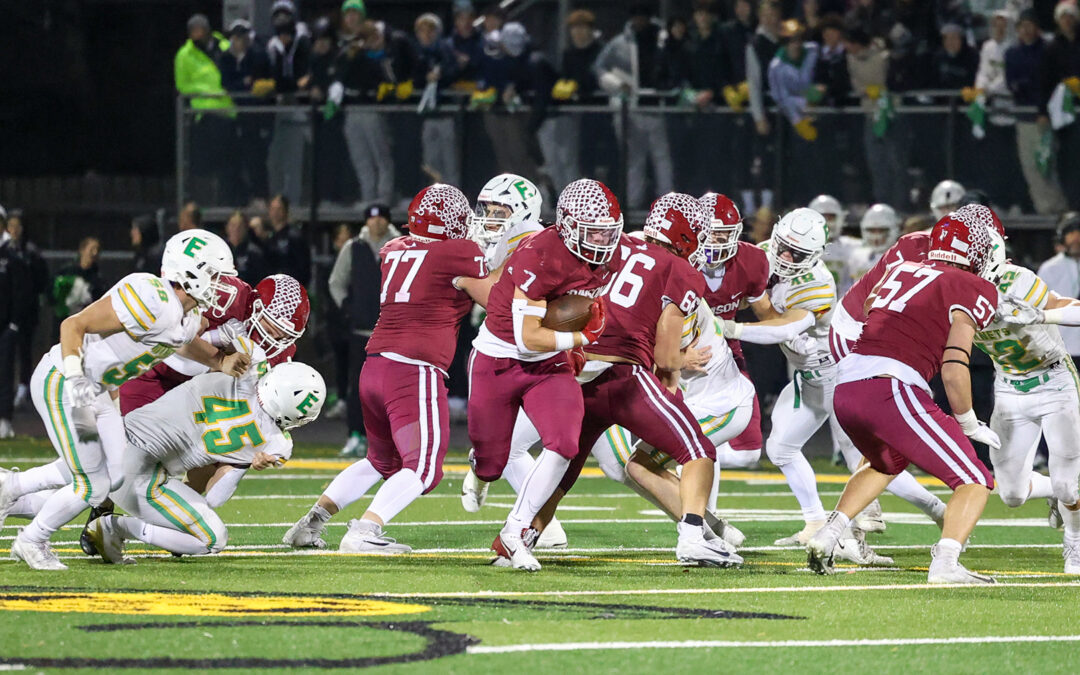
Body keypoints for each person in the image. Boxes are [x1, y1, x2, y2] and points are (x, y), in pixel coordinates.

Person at [491, 193, 738, 571]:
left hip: (577, 368)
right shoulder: (681, 270)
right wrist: (678, 364)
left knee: (565, 468)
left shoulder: (615, 245)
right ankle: (692, 537)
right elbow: (666, 356)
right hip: (625, 375)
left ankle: (522, 536)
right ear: (688, 235)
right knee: (699, 451)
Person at [0, 231, 248, 570]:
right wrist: (75, 378)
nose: (220, 285)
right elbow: (74, 325)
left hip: (98, 390)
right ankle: (32, 540)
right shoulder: (151, 296)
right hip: (68, 383)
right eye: (216, 276)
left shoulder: (185, 315)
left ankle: (11, 487)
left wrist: (221, 361)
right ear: (192, 271)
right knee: (92, 483)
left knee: (115, 475)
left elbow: (182, 340)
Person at [284, 185, 490, 553]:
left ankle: (311, 523)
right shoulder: (460, 252)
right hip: (413, 370)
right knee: (425, 467)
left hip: (375, 366)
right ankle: (365, 530)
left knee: (381, 459)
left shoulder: (394, 249)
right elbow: (497, 296)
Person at [808, 209, 1003, 584]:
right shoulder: (974, 285)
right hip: (891, 385)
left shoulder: (904, 267)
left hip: (848, 384)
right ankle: (946, 563)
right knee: (974, 479)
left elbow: (870, 307)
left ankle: (827, 534)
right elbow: (953, 365)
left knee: (885, 463)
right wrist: (967, 422)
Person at [467, 178, 620, 570]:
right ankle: (481, 467)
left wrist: (578, 341)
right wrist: (581, 336)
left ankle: (514, 532)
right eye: (593, 231)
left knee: (565, 443)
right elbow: (527, 337)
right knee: (492, 463)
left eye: (608, 230)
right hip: (500, 357)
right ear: (568, 225)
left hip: (548, 365)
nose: (603, 240)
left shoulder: (610, 254)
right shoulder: (538, 254)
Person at [86, 361, 324, 562]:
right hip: (137, 475)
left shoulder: (233, 374)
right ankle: (114, 527)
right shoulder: (275, 443)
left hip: (111, 440)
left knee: (55, 483)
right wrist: (244, 461)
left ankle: (88, 522)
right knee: (212, 539)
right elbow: (215, 498)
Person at [978, 254, 1080, 574]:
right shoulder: (952, 291)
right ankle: (1054, 493)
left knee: (1069, 486)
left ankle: (1075, 543)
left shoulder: (1015, 280)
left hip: (1054, 383)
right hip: (1008, 389)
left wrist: (1039, 315)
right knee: (1011, 495)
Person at [329, 204, 401, 458]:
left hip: (393, 332)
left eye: (381, 218)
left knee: (392, 388)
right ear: (366, 222)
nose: (376, 223)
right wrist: (349, 308)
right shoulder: (353, 247)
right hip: (360, 330)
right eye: (372, 219)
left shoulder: (402, 246)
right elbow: (336, 282)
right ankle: (355, 435)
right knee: (357, 387)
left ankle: (391, 439)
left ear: (388, 221)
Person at [594, 5, 673, 209]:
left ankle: (668, 207)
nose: (640, 21)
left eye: (643, 16)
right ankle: (632, 206)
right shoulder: (620, 43)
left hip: (659, 108)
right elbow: (599, 68)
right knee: (634, 160)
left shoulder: (663, 39)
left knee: (662, 159)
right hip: (632, 110)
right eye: (636, 16)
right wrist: (618, 85)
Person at [1006, 9, 1068, 215]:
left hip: (1047, 117)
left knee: (1048, 165)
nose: (1026, 30)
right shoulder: (1012, 53)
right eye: (1022, 26)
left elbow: (1046, 82)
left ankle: (1059, 207)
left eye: (1030, 25)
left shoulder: (1048, 50)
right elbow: (1013, 83)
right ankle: (1043, 209)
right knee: (1030, 166)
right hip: (1024, 118)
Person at [174, 14, 235, 203]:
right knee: (204, 165)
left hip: (230, 113)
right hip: (205, 115)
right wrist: (209, 91)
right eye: (194, 31)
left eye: (200, 29)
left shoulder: (226, 46)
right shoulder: (185, 55)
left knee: (229, 163)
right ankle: (204, 204)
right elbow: (182, 86)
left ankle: (227, 201)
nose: (198, 34)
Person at [218, 18, 272, 204]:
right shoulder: (225, 58)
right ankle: (239, 197)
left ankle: (260, 196)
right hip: (235, 116)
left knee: (256, 157)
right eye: (235, 37)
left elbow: (258, 85)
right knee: (234, 159)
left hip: (255, 116)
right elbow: (228, 84)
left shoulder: (258, 56)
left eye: (242, 37)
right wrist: (243, 83)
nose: (238, 41)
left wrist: (244, 85)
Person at [768, 20, 820, 204]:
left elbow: (820, 73)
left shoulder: (813, 52)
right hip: (793, 120)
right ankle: (798, 201)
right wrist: (800, 115)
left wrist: (818, 94)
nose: (795, 44)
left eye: (798, 39)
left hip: (820, 113)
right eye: (791, 40)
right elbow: (781, 97)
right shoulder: (776, 66)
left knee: (820, 161)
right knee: (798, 161)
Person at [265, 8, 312, 205]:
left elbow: (305, 78)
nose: (284, 38)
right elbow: (282, 81)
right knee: (276, 160)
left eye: (287, 34)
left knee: (295, 160)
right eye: (281, 34)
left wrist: (289, 84)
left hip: (298, 110)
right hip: (279, 110)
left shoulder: (302, 45)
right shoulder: (274, 48)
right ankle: (276, 200)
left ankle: (293, 202)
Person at [6, 211, 49, 416]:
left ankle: (23, 389)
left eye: (17, 226)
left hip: (25, 312)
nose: (14, 230)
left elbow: (41, 281)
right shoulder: (5, 251)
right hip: (6, 312)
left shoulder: (31, 253)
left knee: (24, 350)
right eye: (10, 225)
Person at [413, 13, 461, 186]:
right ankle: (434, 199)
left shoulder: (445, 50)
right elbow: (413, 77)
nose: (426, 35)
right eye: (422, 31)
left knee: (450, 160)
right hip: (428, 115)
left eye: (430, 31)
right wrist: (424, 77)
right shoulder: (417, 53)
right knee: (430, 161)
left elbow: (454, 71)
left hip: (447, 113)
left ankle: (455, 198)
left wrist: (440, 76)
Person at [1040, 1, 1080, 209]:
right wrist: (1043, 111)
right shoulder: (1052, 48)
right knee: (1066, 160)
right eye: (1063, 17)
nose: (1067, 21)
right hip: (1062, 114)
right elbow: (1044, 81)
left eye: (1070, 16)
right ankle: (1072, 204)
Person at [745, 0, 782, 212]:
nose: (770, 19)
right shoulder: (756, 44)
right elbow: (754, 81)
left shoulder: (783, 41)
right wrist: (759, 115)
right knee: (765, 157)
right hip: (767, 109)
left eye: (773, 14)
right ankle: (765, 206)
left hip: (785, 109)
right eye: (766, 14)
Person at [1038, 213, 1080, 365]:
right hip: (1060, 346)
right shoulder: (1049, 268)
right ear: (1062, 238)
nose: (1076, 240)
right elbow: (1039, 306)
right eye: (1071, 235)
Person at [52, 237, 105, 336]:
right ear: (82, 250)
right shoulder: (67, 271)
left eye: (97, 250)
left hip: (85, 323)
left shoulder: (98, 278)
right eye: (92, 249)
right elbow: (54, 293)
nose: (95, 253)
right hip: (64, 320)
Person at [848, 203, 901, 283]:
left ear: (894, 229)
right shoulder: (857, 257)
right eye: (872, 231)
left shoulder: (904, 259)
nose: (876, 236)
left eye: (882, 231)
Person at [266, 194, 311, 286]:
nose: (275, 213)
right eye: (273, 209)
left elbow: (303, 267)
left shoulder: (294, 236)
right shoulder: (269, 236)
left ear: (286, 211)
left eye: (279, 209)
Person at [225, 210, 269, 285]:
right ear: (227, 227)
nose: (236, 229)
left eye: (240, 226)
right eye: (233, 225)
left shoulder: (255, 252)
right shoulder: (221, 249)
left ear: (246, 228)